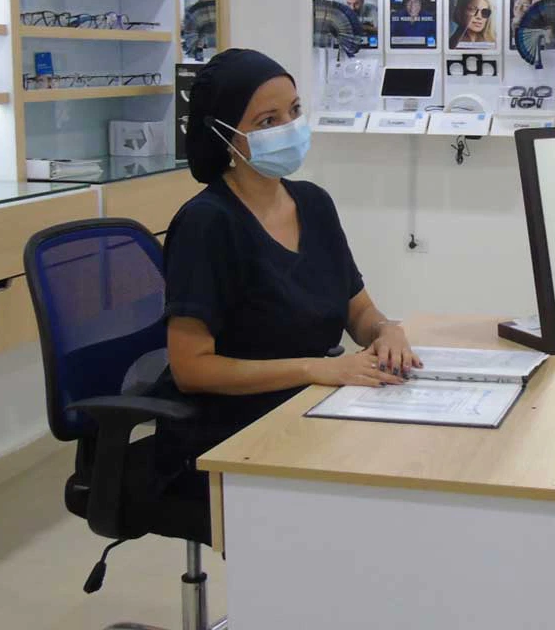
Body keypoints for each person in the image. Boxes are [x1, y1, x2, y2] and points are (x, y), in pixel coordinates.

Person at [153, 48, 421, 473]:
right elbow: (192, 369)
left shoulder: (314, 203)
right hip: (227, 435)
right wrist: (317, 369)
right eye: (267, 121)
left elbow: (358, 310)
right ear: (226, 136)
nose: (289, 128)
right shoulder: (206, 224)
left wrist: (387, 330)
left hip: (309, 406)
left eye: (294, 111)